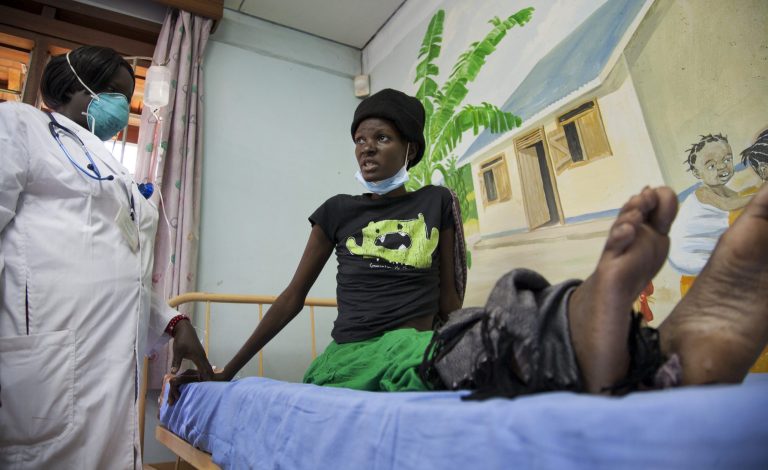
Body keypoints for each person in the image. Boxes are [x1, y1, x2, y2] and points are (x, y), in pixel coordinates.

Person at [173, 89, 767, 401]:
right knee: (478, 352)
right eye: (358, 139)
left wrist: (457, 330)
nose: (367, 148)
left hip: (422, 338)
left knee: (482, 336)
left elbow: (451, 295)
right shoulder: (335, 213)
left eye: (381, 137)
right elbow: (291, 299)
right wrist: (227, 372)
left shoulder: (435, 202)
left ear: (411, 148)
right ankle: (624, 335)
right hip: (351, 355)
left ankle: (649, 343)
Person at [0, 46, 212, 469]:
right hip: (47, 351)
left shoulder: (117, 172)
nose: (120, 104)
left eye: (125, 95)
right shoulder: (19, 124)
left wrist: (173, 321)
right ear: (72, 86)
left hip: (107, 359)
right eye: (110, 91)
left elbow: (124, 273)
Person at [668, 134, 751, 296]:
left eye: (727, 160)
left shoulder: (727, 193)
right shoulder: (703, 193)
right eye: (711, 166)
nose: (722, 167)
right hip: (690, 256)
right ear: (698, 173)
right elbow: (729, 204)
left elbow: (739, 201)